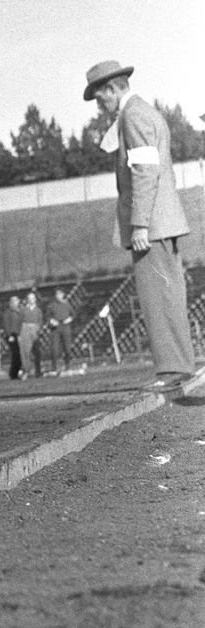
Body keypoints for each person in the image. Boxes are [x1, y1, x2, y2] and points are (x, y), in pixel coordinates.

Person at [84, 60, 196, 392]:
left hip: (153, 226)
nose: (98, 105)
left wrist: (140, 226)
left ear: (110, 89)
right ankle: (179, 367)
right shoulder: (140, 113)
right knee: (168, 295)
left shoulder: (134, 116)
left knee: (157, 297)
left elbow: (145, 173)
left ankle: (173, 371)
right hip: (163, 222)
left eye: (99, 97)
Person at [46, 287, 75, 374]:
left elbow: (73, 314)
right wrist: (51, 321)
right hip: (55, 328)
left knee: (67, 348)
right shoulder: (51, 305)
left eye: (60, 294)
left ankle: (68, 366)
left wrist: (70, 319)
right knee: (54, 349)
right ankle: (54, 368)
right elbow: (47, 316)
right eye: (57, 294)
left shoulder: (67, 304)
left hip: (65, 326)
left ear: (63, 295)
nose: (58, 296)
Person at [19, 290, 44, 380]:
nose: (31, 300)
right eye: (29, 298)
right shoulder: (23, 309)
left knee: (36, 351)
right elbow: (20, 321)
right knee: (26, 351)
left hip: (35, 329)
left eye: (32, 298)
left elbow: (40, 321)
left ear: (35, 299)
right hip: (25, 328)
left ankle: (38, 370)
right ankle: (26, 370)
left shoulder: (38, 310)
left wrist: (38, 329)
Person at [2, 294, 24, 381]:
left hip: (21, 334)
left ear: (18, 301)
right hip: (12, 335)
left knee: (21, 354)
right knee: (16, 354)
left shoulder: (21, 311)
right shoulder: (7, 312)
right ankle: (14, 373)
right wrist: (10, 335)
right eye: (11, 301)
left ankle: (17, 372)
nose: (13, 303)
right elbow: (6, 325)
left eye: (15, 300)